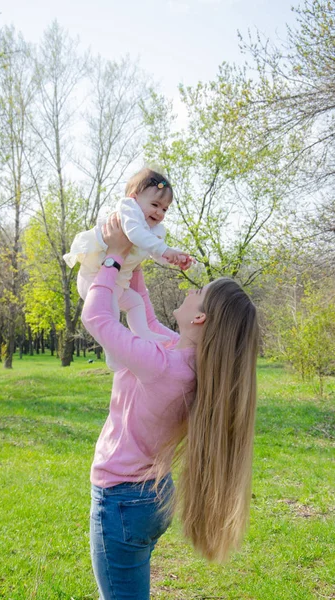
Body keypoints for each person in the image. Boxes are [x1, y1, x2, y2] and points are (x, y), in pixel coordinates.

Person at [81, 214, 260, 600]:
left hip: (122, 500)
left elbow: (96, 317)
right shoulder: (185, 359)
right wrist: (135, 254)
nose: (189, 291)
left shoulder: (162, 364)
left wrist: (112, 258)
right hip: (150, 495)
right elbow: (142, 312)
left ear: (200, 317)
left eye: (199, 291)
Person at [64, 168, 192, 351]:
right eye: (155, 205)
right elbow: (136, 235)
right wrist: (166, 250)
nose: (160, 213)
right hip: (94, 278)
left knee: (136, 302)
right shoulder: (128, 211)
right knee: (111, 318)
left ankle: (144, 334)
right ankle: (113, 355)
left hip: (117, 284)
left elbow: (155, 252)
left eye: (165, 209)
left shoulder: (154, 230)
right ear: (134, 198)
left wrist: (175, 258)